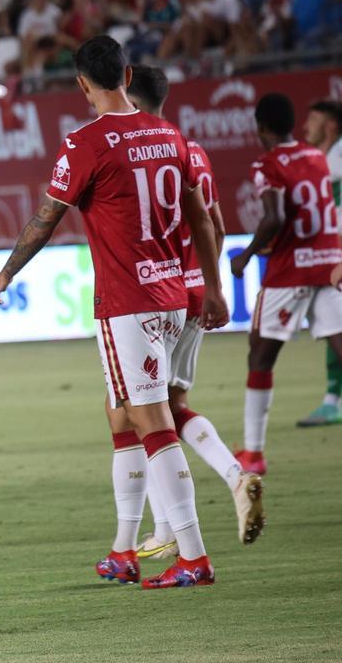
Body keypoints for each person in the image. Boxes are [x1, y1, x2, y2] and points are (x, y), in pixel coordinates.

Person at [0, 35, 228, 589]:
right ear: (126, 72)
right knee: (120, 415)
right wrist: (212, 289)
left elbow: (47, 217)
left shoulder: (85, 143)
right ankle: (124, 549)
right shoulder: (169, 135)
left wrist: (6, 272)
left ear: (82, 84)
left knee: (151, 421)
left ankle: (193, 554)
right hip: (172, 297)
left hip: (128, 305)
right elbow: (201, 217)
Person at [124, 67, 266, 560]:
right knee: (174, 407)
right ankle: (232, 477)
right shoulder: (193, 151)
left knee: (142, 413)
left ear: (129, 98)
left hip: (153, 294)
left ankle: (168, 529)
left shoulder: (134, 148)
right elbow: (217, 225)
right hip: (194, 292)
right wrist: (212, 287)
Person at [231, 95, 342, 473]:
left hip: (291, 270)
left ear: (261, 128)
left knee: (260, 356)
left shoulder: (267, 163)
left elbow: (274, 217)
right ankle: (252, 452)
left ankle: (254, 453)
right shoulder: (315, 156)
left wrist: (246, 256)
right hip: (328, 264)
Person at [299, 99, 342, 426]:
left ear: (330, 125)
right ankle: (333, 398)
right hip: (330, 255)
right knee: (333, 323)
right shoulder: (323, 160)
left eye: (312, 118)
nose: (305, 126)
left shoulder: (338, 158)